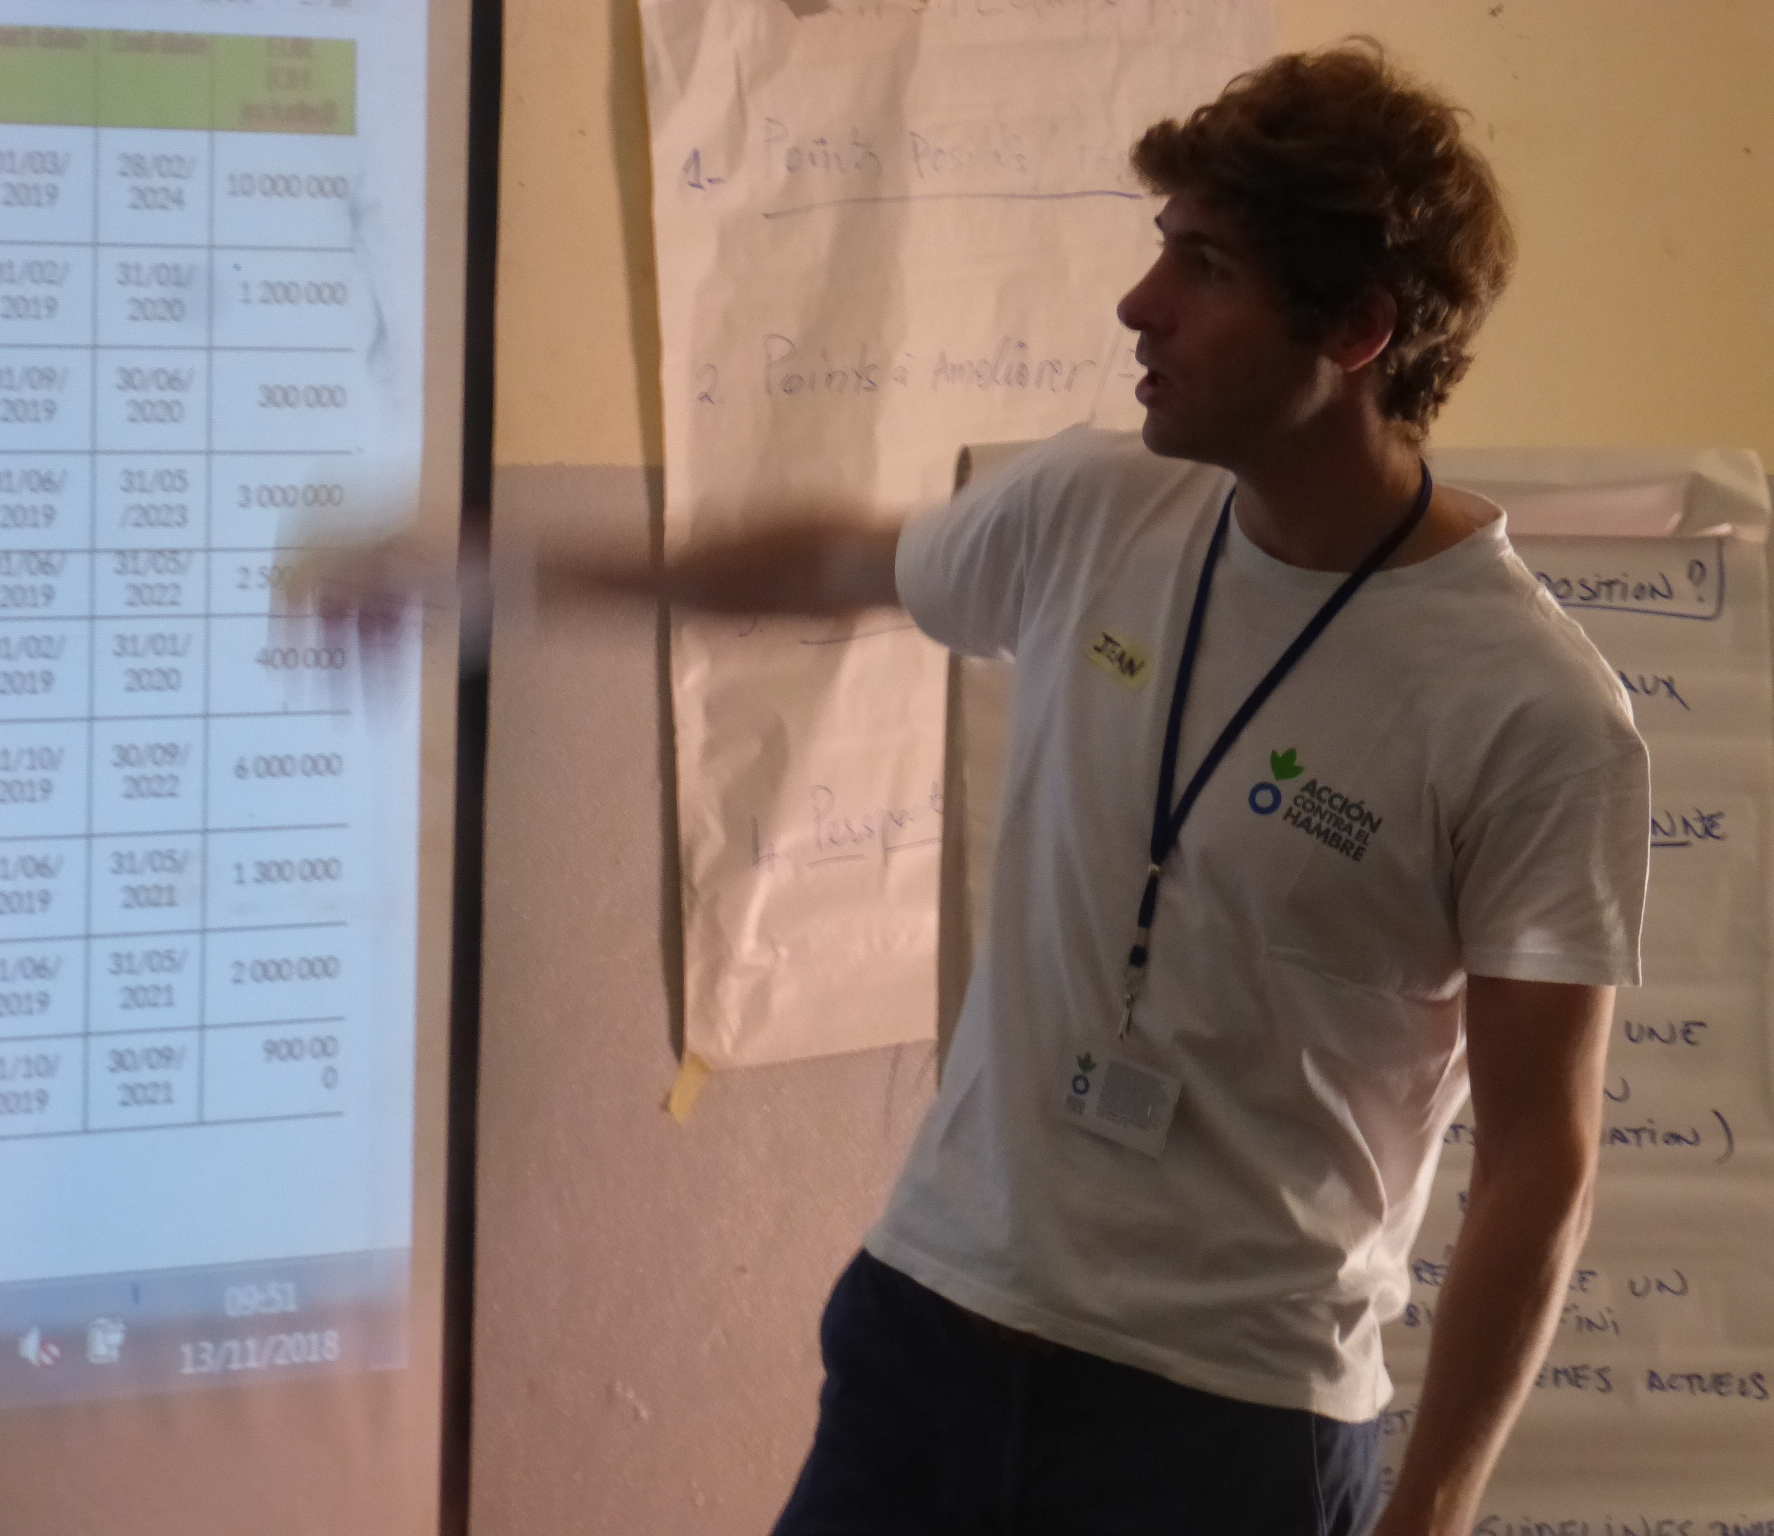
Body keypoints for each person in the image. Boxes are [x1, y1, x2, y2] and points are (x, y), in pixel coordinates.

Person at [287, 42, 1649, 1536]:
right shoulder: (1098, 510)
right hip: (935, 1327)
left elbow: (1540, 1160)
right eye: (1161, 248)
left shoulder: (1531, 710)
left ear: (1359, 328)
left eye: (1204, 267)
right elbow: (831, 562)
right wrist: (504, 572)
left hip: (1227, 1416)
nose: (1139, 304)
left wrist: (1431, 1514)